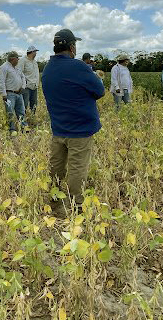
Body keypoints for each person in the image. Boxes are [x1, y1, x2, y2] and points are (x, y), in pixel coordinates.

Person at [42, 29, 105, 216]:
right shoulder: (78, 67)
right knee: (77, 168)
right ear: (71, 47)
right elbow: (99, 91)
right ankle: (75, 206)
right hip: (80, 129)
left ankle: (54, 201)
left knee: (56, 166)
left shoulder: (47, 68)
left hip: (59, 128)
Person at [0, 51, 27, 133]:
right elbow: (1, 81)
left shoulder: (17, 67)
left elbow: (23, 78)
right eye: (17, 58)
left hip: (19, 93)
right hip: (9, 94)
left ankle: (23, 127)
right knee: (10, 112)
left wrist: (23, 87)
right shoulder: (4, 67)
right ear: (12, 59)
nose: (18, 60)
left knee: (21, 111)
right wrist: (4, 94)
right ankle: (12, 129)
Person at [17, 46, 40, 115]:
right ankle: (22, 120)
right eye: (35, 52)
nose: (36, 53)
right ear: (31, 52)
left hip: (34, 86)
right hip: (26, 87)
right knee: (24, 105)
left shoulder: (35, 62)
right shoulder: (23, 60)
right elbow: (19, 73)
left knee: (34, 105)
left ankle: (32, 118)